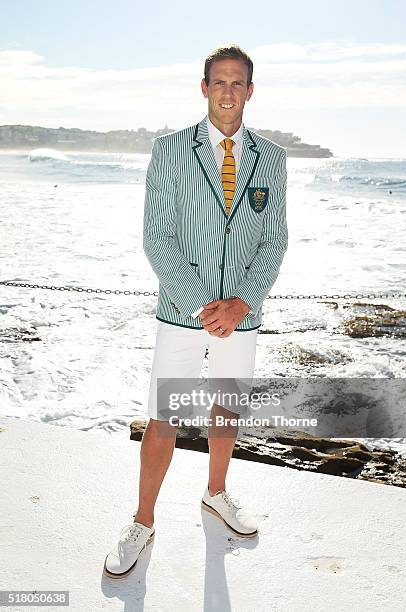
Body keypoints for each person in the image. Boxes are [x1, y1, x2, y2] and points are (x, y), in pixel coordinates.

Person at [103, 44, 288, 579]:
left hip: (243, 316)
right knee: (165, 419)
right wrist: (203, 306)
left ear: (250, 91)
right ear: (203, 88)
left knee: (227, 408)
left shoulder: (271, 159)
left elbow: (273, 241)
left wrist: (242, 303)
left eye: (238, 84)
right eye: (219, 82)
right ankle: (142, 520)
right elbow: (156, 237)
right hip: (181, 313)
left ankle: (216, 493)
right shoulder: (170, 150)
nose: (228, 92)